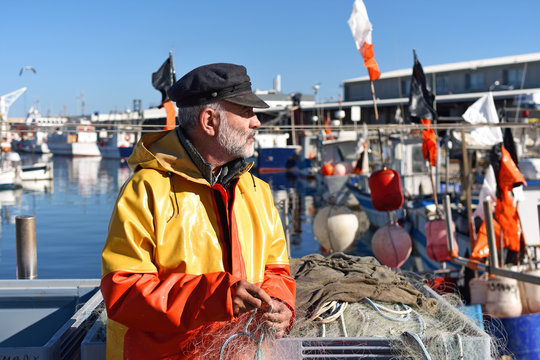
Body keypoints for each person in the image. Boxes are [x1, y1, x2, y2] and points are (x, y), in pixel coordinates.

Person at [100, 63, 296, 359]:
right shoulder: (146, 190)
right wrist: (216, 297)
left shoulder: (258, 192)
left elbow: (276, 270)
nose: (256, 122)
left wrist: (281, 305)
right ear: (209, 120)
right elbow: (124, 292)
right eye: (246, 111)